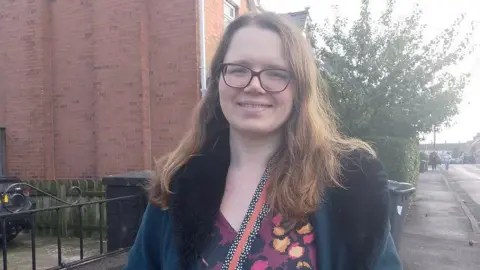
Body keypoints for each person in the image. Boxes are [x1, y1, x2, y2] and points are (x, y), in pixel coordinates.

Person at [123, 12, 402, 270]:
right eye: (238, 69)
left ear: (300, 87)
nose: (254, 85)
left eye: (275, 73)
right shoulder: (177, 183)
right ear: (219, 79)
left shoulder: (350, 185)